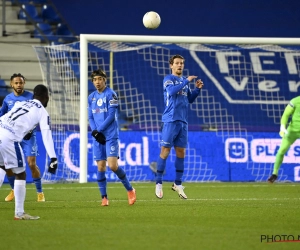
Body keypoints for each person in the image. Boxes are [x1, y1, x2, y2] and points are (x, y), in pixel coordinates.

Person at [0, 84, 57, 220]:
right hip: (9, 137)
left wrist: (26, 130)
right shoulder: (42, 111)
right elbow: (46, 135)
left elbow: (13, 117)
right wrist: (53, 158)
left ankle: (20, 213)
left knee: (1, 167)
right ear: (46, 97)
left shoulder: (22, 103)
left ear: (33, 95)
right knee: (21, 173)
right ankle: (19, 213)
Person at [155, 54, 204, 199]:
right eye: (177, 63)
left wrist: (197, 90)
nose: (180, 65)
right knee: (165, 151)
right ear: (171, 65)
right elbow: (171, 92)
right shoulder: (168, 79)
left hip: (182, 121)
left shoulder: (184, 81)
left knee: (181, 153)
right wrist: (187, 81)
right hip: (170, 120)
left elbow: (189, 99)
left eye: (182, 63)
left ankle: (177, 184)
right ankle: (158, 183)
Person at [88, 68, 136, 206]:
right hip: (98, 136)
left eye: (100, 79)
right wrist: (95, 132)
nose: (97, 82)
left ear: (105, 80)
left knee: (113, 166)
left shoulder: (111, 94)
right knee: (101, 167)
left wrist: (99, 131)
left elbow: (111, 116)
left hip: (110, 135)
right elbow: (90, 116)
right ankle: (104, 198)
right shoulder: (90, 97)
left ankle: (130, 189)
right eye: (95, 80)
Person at [0, 73, 45, 202]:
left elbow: (38, 114)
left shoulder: (31, 97)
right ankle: (14, 189)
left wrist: (31, 129)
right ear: (11, 84)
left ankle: (40, 192)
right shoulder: (7, 99)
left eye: (21, 83)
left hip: (28, 136)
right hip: (12, 136)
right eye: (16, 83)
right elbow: (2, 115)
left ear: (24, 83)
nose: (19, 85)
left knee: (31, 164)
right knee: (8, 165)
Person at [268, 96, 300, 183]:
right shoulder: (295, 101)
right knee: (282, 150)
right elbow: (286, 114)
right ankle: (274, 174)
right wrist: (282, 127)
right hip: (292, 132)